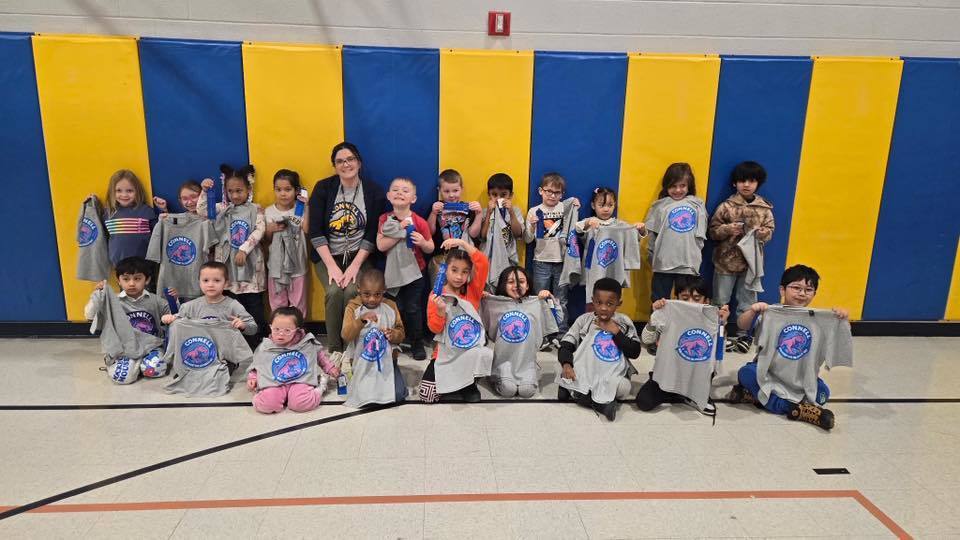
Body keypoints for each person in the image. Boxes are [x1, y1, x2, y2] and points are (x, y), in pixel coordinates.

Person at [727, 265, 852, 430]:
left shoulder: (820, 319)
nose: (802, 293)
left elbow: (839, 340)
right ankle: (794, 409)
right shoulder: (772, 313)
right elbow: (742, 324)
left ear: (814, 294)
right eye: (796, 288)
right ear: (782, 290)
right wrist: (753, 311)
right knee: (746, 374)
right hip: (768, 374)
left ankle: (755, 397)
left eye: (808, 289)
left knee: (823, 393)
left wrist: (841, 320)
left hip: (801, 378)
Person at [307, 142, 386, 365]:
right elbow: (315, 231)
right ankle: (335, 348)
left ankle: (351, 342)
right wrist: (332, 266)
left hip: (360, 256)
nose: (346, 164)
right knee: (334, 291)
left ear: (359, 163)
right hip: (328, 255)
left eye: (350, 159)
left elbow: (372, 233)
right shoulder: (323, 188)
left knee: (352, 289)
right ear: (334, 166)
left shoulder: (373, 191)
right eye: (340, 161)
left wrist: (353, 266)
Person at [635, 275, 729, 413]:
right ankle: (674, 391)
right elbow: (647, 339)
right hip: (667, 374)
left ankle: (690, 394)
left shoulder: (712, 318)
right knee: (644, 402)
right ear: (676, 298)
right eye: (685, 298)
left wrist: (722, 324)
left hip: (695, 376)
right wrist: (654, 317)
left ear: (707, 300)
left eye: (697, 299)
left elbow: (719, 352)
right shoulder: (669, 312)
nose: (690, 303)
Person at [708, 161, 775, 353]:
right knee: (720, 300)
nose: (746, 184)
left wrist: (763, 233)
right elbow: (713, 231)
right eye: (742, 181)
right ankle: (717, 334)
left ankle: (743, 336)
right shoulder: (726, 206)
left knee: (747, 304)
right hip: (725, 263)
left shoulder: (764, 209)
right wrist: (728, 229)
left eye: (751, 181)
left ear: (758, 183)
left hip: (751, 265)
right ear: (735, 183)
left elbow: (770, 231)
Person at [199, 164, 267, 347]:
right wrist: (205, 192)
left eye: (239, 190)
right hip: (228, 266)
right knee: (232, 305)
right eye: (231, 191)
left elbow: (259, 230)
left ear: (248, 189)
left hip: (249, 264)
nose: (235, 195)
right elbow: (203, 211)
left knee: (253, 304)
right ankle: (238, 342)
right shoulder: (223, 208)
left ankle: (257, 341)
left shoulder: (256, 209)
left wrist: (244, 249)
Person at [557, 277, 641, 421]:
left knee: (624, 389)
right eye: (599, 302)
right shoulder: (584, 320)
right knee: (560, 370)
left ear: (618, 303)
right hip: (586, 368)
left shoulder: (624, 322)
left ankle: (581, 395)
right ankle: (598, 402)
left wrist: (616, 332)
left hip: (612, 371)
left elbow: (634, 352)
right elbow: (566, 345)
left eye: (610, 304)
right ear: (592, 301)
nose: (603, 308)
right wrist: (567, 365)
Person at [422, 238, 491, 403]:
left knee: (484, 354)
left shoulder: (473, 290)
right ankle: (456, 381)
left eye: (465, 271)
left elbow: (483, 263)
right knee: (428, 395)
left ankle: (468, 384)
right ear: (445, 270)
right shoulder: (436, 295)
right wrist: (440, 312)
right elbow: (434, 329)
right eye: (454, 270)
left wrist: (462, 243)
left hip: (469, 350)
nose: (459, 276)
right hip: (446, 352)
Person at [84, 256, 171, 384]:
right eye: (126, 279)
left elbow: (172, 318)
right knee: (122, 378)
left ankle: (139, 364)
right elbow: (89, 315)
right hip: (124, 349)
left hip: (151, 346)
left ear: (147, 280)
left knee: (153, 370)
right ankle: (128, 363)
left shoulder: (156, 301)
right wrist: (98, 296)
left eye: (137, 279)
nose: (131, 283)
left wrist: (172, 306)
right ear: (118, 281)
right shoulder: (114, 301)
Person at [376, 177, 434, 360]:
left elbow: (431, 247)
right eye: (395, 189)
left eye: (405, 190)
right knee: (396, 307)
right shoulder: (384, 219)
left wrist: (423, 243)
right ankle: (398, 339)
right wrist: (400, 232)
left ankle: (417, 341)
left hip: (415, 273)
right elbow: (381, 245)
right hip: (393, 273)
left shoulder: (419, 221)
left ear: (414, 199)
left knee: (413, 308)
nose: (399, 192)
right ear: (388, 195)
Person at [481, 266, 561, 398]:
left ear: (528, 285)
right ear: (503, 285)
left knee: (527, 392)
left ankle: (530, 372)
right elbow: (480, 318)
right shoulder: (496, 303)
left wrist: (548, 298)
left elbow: (557, 319)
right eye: (511, 282)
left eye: (522, 282)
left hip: (527, 362)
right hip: (504, 362)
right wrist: (485, 299)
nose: (517, 286)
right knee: (508, 390)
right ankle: (496, 375)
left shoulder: (536, 302)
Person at [247, 307, 338, 414]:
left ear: (297, 330)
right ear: (270, 327)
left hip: (300, 380)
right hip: (274, 381)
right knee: (267, 405)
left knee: (301, 404)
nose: (281, 334)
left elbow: (320, 356)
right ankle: (271, 396)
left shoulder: (306, 343)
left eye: (287, 330)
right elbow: (259, 364)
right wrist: (253, 378)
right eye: (276, 329)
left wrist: (330, 368)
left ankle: (321, 387)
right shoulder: (266, 346)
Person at [341, 269, 408, 407]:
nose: (372, 299)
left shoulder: (390, 306)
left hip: (387, 360)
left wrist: (393, 334)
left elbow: (401, 333)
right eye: (367, 294)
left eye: (377, 294)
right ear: (359, 289)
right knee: (363, 397)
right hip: (361, 361)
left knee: (398, 395)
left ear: (384, 290)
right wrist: (361, 320)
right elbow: (346, 335)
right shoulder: (353, 307)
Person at [523, 172, 578, 336]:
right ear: (541, 191)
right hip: (541, 261)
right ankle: (542, 332)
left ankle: (561, 332)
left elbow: (573, 225)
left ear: (562, 194)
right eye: (548, 191)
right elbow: (527, 240)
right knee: (541, 298)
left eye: (557, 193)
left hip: (562, 261)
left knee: (561, 300)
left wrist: (574, 203)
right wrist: (532, 227)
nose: (552, 196)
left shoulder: (565, 208)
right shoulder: (534, 211)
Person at [573, 187, 646, 311]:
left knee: (612, 302)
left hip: (614, 271)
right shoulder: (591, 222)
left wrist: (640, 229)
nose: (606, 209)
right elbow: (578, 229)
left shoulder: (621, 225)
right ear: (593, 205)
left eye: (610, 205)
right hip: (594, 271)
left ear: (615, 205)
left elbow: (636, 237)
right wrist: (589, 223)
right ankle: (590, 328)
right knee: (592, 302)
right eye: (601, 205)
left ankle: (608, 328)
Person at [644, 163, 708, 302]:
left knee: (687, 301)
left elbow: (701, 236)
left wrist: (695, 258)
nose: (678, 190)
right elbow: (652, 236)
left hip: (687, 263)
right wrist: (652, 257)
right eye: (673, 186)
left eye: (682, 186)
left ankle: (685, 325)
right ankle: (657, 325)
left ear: (689, 185)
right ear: (666, 186)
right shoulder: (660, 206)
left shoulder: (697, 205)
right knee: (658, 300)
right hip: (663, 264)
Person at [161, 261, 257, 337]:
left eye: (217, 280)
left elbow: (253, 328)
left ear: (226, 283)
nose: (210, 284)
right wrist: (168, 319)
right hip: (198, 352)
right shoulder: (189, 306)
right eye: (206, 280)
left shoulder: (233, 306)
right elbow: (177, 323)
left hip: (227, 355)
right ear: (199, 282)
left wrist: (243, 326)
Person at [95, 169, 165, 266]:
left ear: (137, 191)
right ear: (112, 192)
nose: (124, 195)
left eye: (129, 191)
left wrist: (163, 210)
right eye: (119, 190)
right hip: (119, 266)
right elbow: (100, 237)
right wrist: (92, 206)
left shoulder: (146, 211)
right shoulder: (109, 213)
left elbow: (161, 232)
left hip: (144, 265)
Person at [264, 169, 309, 316]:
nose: (283, 193)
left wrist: (306, 207)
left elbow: (308, 231)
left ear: (297, 191)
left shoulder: (300, 210)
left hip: (298, 266)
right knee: (277, 303)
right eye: (278, 189)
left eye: (288, 189)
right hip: (276, 268)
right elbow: (266, 241)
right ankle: (278, 332)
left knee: (298, 304)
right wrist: (269, 229)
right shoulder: (269, 211)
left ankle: (299, 332)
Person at [427, 169, 483, 284]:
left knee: (463, 290)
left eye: (455, 190)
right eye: (446, 191)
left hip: (464, 256)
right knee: (439, 291)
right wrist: (433, 213)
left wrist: (479, 214)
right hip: (441, 257)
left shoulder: (469, 209)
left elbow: (474, 233)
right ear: (440, 191)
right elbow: (429, 232)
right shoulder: (437, 208)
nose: (451, 195)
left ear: (461, 189)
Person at [479, 173, 524, 290]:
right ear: (489, 195)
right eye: (494, 195)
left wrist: (511, 213)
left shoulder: (515, 211)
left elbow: (518, 233)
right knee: (488, 290)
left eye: (503, 195)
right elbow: (482, 236)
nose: (498, 198)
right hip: (488, 257)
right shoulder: (485, 212)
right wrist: (489, 213)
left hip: (508, 257)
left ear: (510, 195)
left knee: (506, 288)